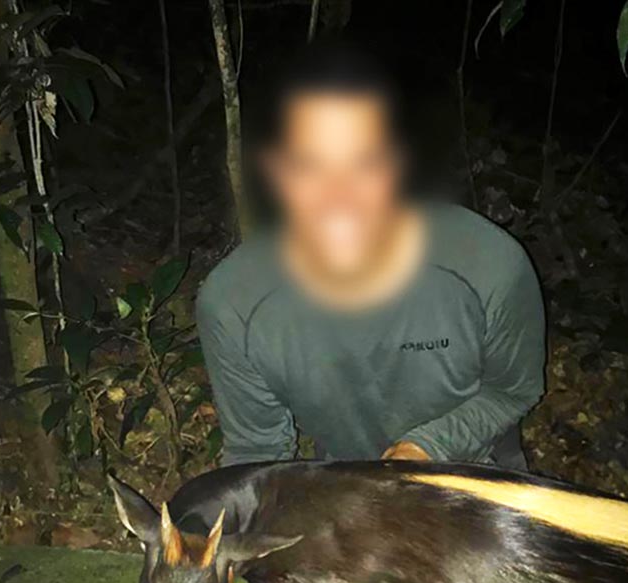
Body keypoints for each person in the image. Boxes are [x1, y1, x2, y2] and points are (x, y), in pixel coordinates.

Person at [196, 45, 545, 469]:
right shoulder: (236, 304)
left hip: (478, 463)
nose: (338, 197)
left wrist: (430, 447)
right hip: (349, 476)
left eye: (365, 162)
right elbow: (256, 455)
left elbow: (511, 391)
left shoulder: (490, 267)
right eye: (309, 165)